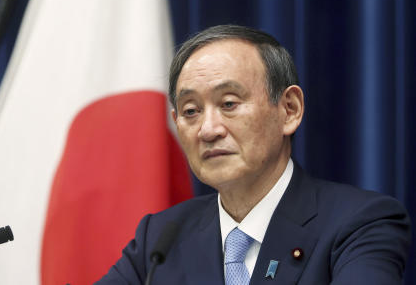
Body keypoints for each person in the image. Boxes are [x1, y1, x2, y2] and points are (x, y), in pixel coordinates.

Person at [95, 25, 411, 284]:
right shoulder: (160, 238)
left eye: (229, 104)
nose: (208, 129)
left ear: (289, 110)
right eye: (191, 111)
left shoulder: (359, 224)